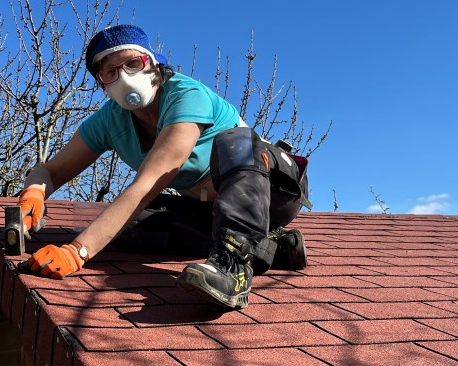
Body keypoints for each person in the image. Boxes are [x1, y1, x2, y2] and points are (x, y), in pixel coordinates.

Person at [21, 24, 310, 310]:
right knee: (130, 224)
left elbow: (146, 184)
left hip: (273, 190)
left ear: (154, 62)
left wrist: (76, 252)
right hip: (210, 208)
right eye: (110, 72)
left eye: (133, 63)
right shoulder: (109, 120)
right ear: (102, 83)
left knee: (236, 142)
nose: (124, 77)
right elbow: (51, 170)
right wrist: (34, 192)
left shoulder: (186, 95)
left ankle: (233, 268)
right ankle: (271, 245)